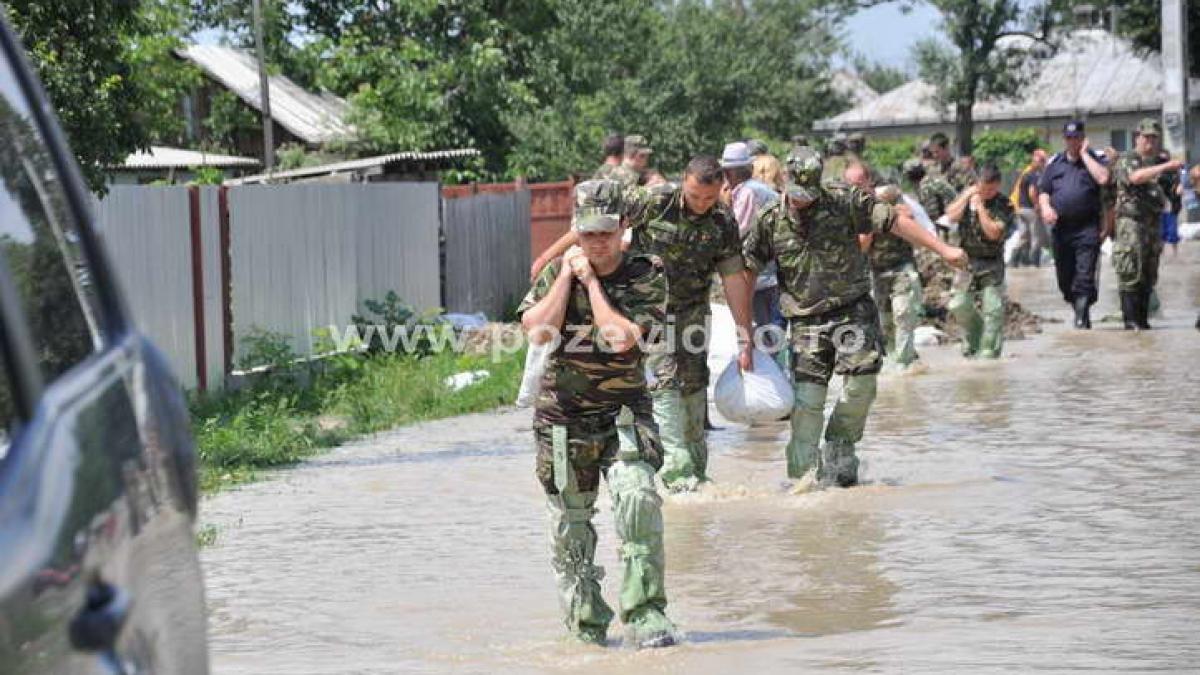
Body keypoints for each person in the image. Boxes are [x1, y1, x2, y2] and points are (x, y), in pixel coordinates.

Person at [742, 147, 968, 488]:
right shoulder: (770, 218)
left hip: (852, 311)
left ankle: (840, 445)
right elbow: (746, 271)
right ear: (785, 181)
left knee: (862, 386)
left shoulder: (843, 199)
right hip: (806, 321)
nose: (803, 201)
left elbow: (895, 221)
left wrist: (943, 249)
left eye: (809, 194)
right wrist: (744, 331)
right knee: (807, 403)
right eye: (797, 194)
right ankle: (802, 482)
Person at [532, 156, 757, 493]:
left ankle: (695, 470)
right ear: (684, 182)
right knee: (663, 382)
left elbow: (733, 278)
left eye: (709, 198)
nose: (701, 204)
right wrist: (547, 258)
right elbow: (594, 223)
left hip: (691, 313)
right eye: (694, 196)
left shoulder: (723, 220)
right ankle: (677, 477)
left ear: (721, 189)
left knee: (694, 386)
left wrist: (744, 334)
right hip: (645, 309)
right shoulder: (655, 201)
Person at [518, 179, 676, 649]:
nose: (598, 242)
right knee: (570, 524)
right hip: (562, 417)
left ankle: (646, 614)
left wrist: (591, 283)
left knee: (637, 498)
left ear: (623, 226)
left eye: (606, 232)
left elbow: (620, 338)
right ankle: (586, 626)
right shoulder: (557, 272)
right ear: (576, 230)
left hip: (623, 413)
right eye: (588, 234)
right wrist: (567, 279)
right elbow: (538, 332)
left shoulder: (646, 272)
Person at [846, 161, 924, 367]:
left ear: (869, 181)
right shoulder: (849, 208)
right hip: (875, 271)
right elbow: (861, 246)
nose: (854, 188)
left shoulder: (888, 196)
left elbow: (908, 215)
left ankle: (904, 364)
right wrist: (871, 222)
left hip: (901, 265)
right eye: (850, 184)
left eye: (858, 183)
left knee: (903, 313)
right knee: (884, 322)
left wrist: (886, 211)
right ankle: (896, 363)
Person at [1038, 120, 1110, 329]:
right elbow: (1044, 191)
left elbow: (1103, 179)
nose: (1073, 141)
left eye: (1076, 137)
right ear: (1064, 139)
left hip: (1087, 227)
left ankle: (1081, 319)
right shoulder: (1055, 164)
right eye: (1069, 138)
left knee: (1085, 275)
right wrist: (1045, 208)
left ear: (1083, 138)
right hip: (1061, 229)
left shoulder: (1095, 160)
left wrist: (1085, 154)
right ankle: (1079, 308)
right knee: (1065, 279)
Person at [1111, 118, 1182, 330]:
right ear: (1137, 138)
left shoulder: (1157, 164)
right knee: (1131, 272)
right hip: (1131, 224)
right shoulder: (1128, 158)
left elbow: (1170, 196)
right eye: (1146, 138)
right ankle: (1131, 323)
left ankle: (1143, 323)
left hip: (1152, 225)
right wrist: (1166, 166)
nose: (1150, 142)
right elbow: (1135, 177)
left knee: (1148, 275)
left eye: (1153, 138)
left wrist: (1176, 187)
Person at [945, 164, 1014, 358]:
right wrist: (967, 196)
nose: (987, 193)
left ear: (998, 185)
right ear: (977, 184)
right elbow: (950, 216)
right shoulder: (968, 197)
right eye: (983, 188)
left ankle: (989, 351)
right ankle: (975, 336)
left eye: (991, 189)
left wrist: (980, 207)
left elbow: (993, 233)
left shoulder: (1004, 204)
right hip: (966, 261)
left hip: (991, 262)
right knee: (958, 304)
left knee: (993, 309)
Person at [722, 142, 783, 352]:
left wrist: (724, 207)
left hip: (762, 276)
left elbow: (737, 232)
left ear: (729, 172)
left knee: (766, 336)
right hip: (770, 273)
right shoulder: (758, 189)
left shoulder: (747, 192)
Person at [1010, 149, 1048, 267]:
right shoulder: (1033, 175)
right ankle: (1034, 262)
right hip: (1030, 210)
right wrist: (1037, 205)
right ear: (1038, 162)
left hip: (1020, 209)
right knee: (1037, 236)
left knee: (1024, 236)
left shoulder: (1025, 173)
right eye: (1043, 161)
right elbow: (1032, 192)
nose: (1044, 164)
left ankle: (1013, 260)